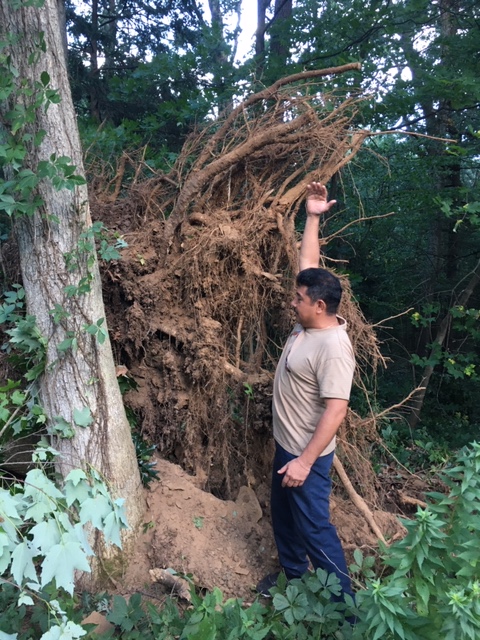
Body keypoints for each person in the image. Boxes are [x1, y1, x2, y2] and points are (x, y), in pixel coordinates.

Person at [257, 182, 355, 600]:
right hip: (288, 447)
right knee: (285, 520)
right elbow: (308, 265)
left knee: (315, 530)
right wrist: (312, 217)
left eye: (298, 299)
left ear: (319, 306)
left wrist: (304, 462)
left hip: (306, 457)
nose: (291, 302)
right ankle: (294, 580)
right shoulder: (309, 321)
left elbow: (336, 411)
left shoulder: (333, 347)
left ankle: (345, 612)